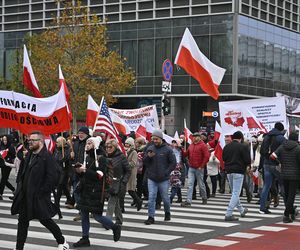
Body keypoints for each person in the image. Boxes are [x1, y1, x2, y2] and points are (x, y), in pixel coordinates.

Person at [11, 131, 69, 250]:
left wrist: (42, 192)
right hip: (25, 196)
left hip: (39, 196)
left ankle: (62, 241)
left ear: (41, 141)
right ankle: (19, 248)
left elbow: (53, 178)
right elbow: (22, 173)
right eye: (29, 140)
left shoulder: (47, 157)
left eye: (33, 140)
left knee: (45, 220)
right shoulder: (29, 155)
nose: (29, 142)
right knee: (22, 222)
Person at [73, 137, 121, 247]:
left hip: (96, 191)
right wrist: (79, 171)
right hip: (86, 190)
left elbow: (99, 175)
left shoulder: (101, 158)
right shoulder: (88, 156)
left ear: (95, 145)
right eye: (87, 142)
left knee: (97, 216)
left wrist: (85, 170)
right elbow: (85, 175)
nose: (87, 144)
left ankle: (114, 227)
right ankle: (85, 238)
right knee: (84, 214)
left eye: (90, 143)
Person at [143, 129, 176, 225]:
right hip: (152, 177)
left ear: (161, 139)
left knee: (165, 198)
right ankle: (151, 217)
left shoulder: (168, 149)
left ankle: (167, 212)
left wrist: (167, 172)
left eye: (156, 139)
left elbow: (173, 163)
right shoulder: (150, 148)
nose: (155, 141)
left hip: (163, 178)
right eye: (153, 139)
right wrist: (148, 157)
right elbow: (144, 161)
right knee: (151, 197)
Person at [271, 132, 300, 223]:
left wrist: (279, 162)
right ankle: (286, 215)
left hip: (283, 174)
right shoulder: (298, 148)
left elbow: (272, 156)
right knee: (291, 195)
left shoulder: (282, 146)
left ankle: (291, 211)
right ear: (296, 139)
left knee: (287, 195)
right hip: (295, 175)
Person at [222, 131, 251, 221]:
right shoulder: (243, 146)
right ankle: (228, 213)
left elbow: (223, 158)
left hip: (228, 171)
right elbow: (247, 160)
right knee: (236, 193)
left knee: (234, 192)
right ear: (241, 138)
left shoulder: (226, 146)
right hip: (238, 171)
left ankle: (241, 210)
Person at [259, 122, 286, 214]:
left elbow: (262, 151)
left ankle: (262, 207)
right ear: (281, 130)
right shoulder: (281, 138)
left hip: (266, 163)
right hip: (277, 164)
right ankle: (288, 206)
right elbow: (285, 150)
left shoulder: (266, 137)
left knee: (266, 186)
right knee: (283, 184)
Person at [105, 139, 131, 225]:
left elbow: (128, 170)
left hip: (117, 182)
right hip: (107, 182)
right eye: (107, 147)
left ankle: (107, 221)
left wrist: (123, 181)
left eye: (110, 147)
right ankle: (119, 219)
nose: (108, 149)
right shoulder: (105, 156)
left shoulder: (121, 156)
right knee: (115, 203)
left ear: (115, 147)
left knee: (111, 202)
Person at [181, 132, 210, 207]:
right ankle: (188, 201)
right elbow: (185, 154)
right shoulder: (191, 145)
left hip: (199, 168)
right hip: (191, 167)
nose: (194, 138)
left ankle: (204, 197)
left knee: (201, 184)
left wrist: (202, 166)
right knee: (190, 184)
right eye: (193, 136)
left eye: (195, 136)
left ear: (199, 137)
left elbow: (206, 156)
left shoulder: (203, 145)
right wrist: (181, 149)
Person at [69, 127, 90, 220]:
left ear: (87, 134)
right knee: (76, 191)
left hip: (85, 172)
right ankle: (82, 211)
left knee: (85, 193)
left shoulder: (89, 142)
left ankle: (86, 211)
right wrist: (71, 156)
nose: (80, 134)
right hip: (75, 171)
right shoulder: (75, 143)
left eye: (83, 133)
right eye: (79, 133)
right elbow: (71, 158)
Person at [124, 137, 143, 211]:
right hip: (126, 172)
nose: (126, 145)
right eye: (125, 144)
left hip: (131, 173)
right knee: (129, 189)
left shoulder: (134, 152)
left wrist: (124, 163)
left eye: (128, 144)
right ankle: (137, 201)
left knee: (131, 189)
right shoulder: (126, 151)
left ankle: (138, 201)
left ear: (131, 145)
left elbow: (133, 163)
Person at [53, 136, 72, 206]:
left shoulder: (67, 149)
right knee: (63, 186)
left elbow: (65, 159)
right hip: (57, 170)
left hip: (64, 171)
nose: (56, 143)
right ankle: (69, 199)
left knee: (60, 185)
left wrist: (64, 157)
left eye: (57, 142)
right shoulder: (56, 149)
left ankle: (56, 202)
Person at [0, 135, 16, 200]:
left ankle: (0, 193)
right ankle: (14, 190)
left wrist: (8, 158)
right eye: (3, 140)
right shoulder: (1, 145)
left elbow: (13, 156)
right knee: (4, 180)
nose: (4, 141)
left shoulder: (11, 146)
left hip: (8, 165)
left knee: (3, 179)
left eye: (5, 140)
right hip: (2, 164)